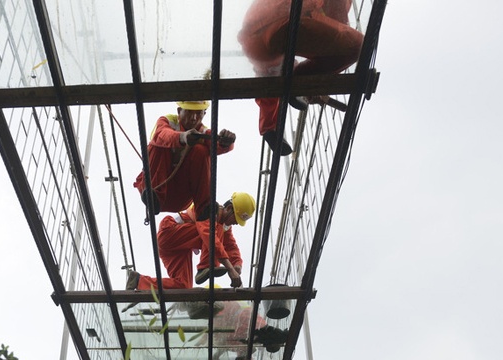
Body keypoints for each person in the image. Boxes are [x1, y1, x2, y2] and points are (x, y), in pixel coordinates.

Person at [238, 0, 364, 155]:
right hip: (287, 20)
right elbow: (337, 29)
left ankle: (269, 128)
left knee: (273, 72)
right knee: (356, 46)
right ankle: (300, 80)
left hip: (253, 39)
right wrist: (314, 81)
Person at [125, 192, 256, 291]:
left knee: (183, 286)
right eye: (236, 219)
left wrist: (237, 264)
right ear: (228, 208)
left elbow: (231, 246)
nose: (236, 224)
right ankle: (205, 267)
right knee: (214, 231)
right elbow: (209, 236)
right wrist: (229, 268)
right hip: (170, 232)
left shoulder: (223, 227)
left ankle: (138, 281)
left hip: (177, 247)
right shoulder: (209, 210)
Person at [133, 101, 236, 221]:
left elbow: (216, 146)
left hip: (180, 196)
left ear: (204, 114)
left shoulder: (203, 132)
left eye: (198, 113)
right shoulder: (166, 122)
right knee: (159, 145)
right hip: (154, 189)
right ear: (179, 111)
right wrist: (182, 137)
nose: (193, 118)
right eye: (189, 112)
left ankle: (204, 208)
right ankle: (155, 195)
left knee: (201, 151)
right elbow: (162, 135)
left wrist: (226, 142)